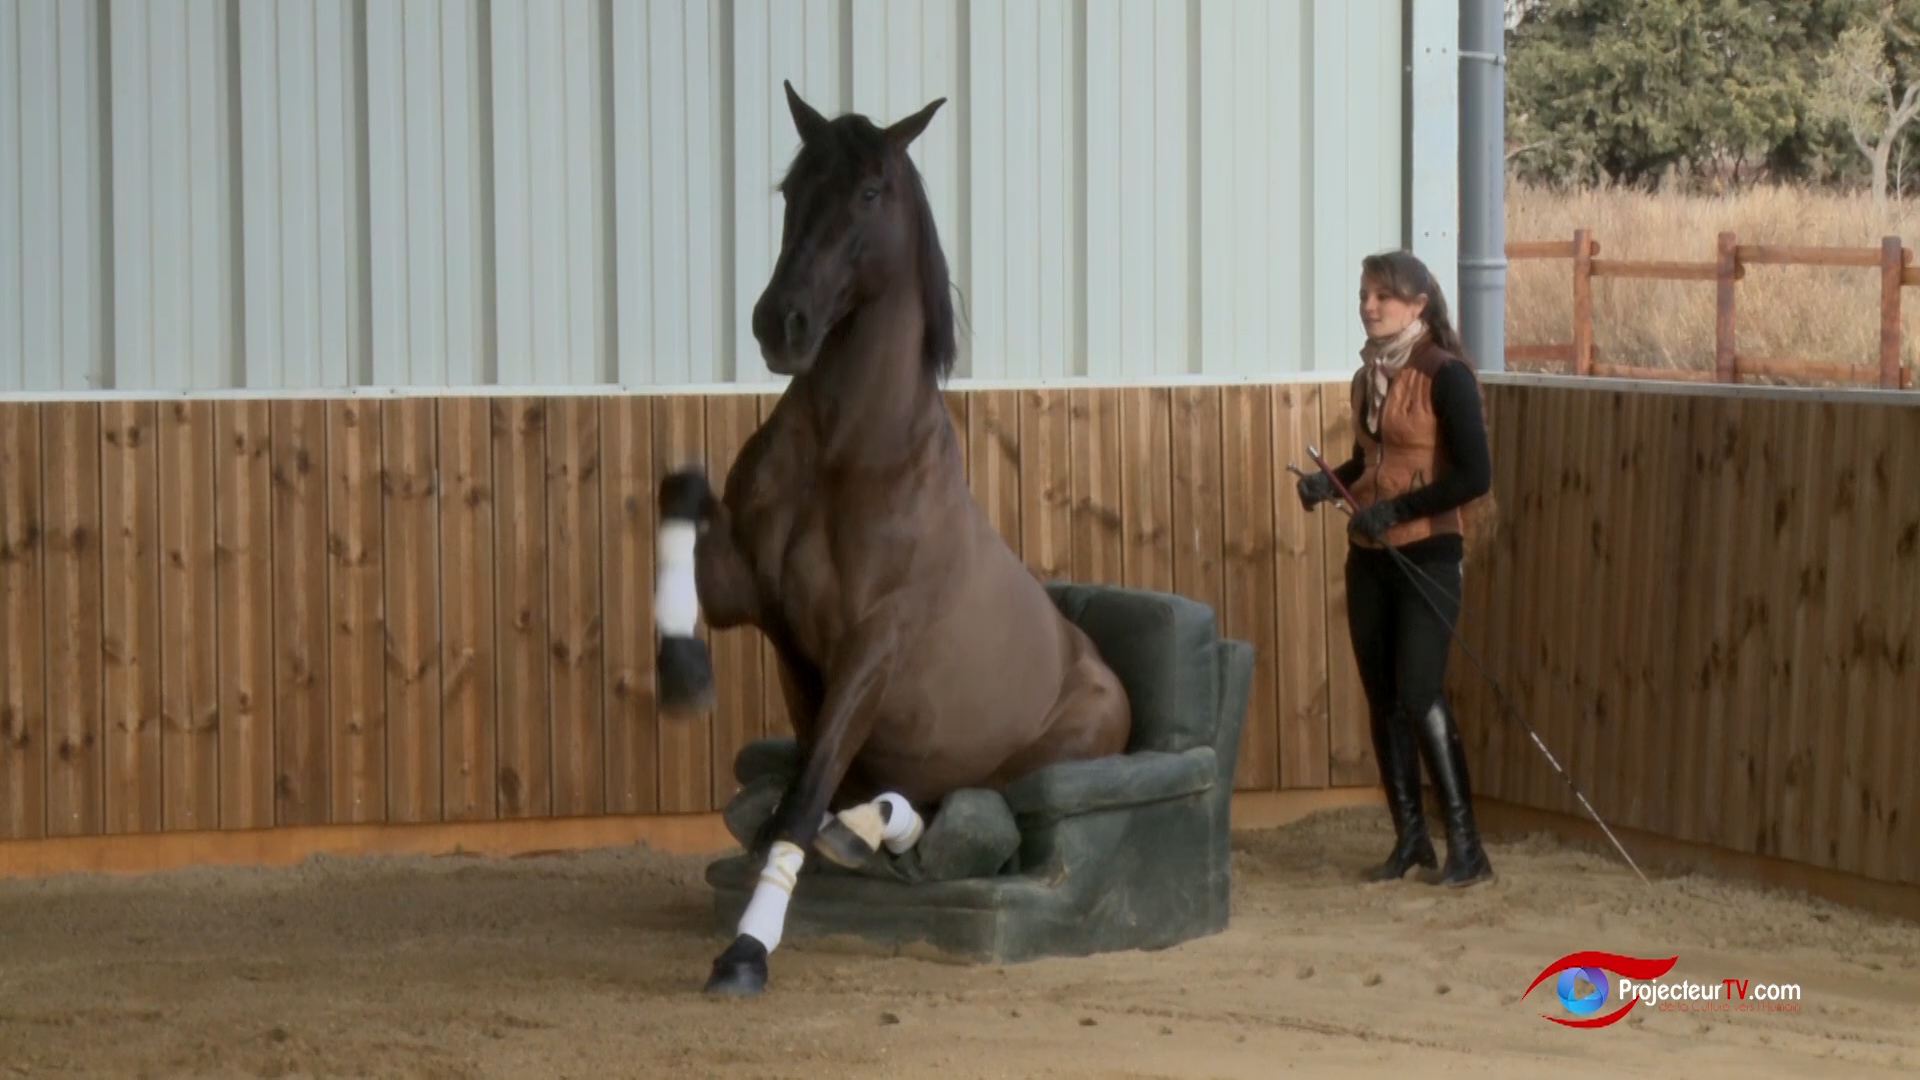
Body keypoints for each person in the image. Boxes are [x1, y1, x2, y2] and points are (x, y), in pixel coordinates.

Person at [1296, 249, 1495, 888]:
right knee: (1384, 699)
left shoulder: (1447, 375)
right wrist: (1332, 483)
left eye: (1381, 295)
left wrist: (1399, 509)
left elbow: (1474, 476)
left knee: (1418, 690)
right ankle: (1411, 839)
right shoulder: (1368, 378)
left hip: (1428, 554)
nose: (1368, 305)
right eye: (1363, 294)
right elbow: (1370, 460)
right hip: (1370, 557)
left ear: (1417, 304)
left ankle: (1467, 846)